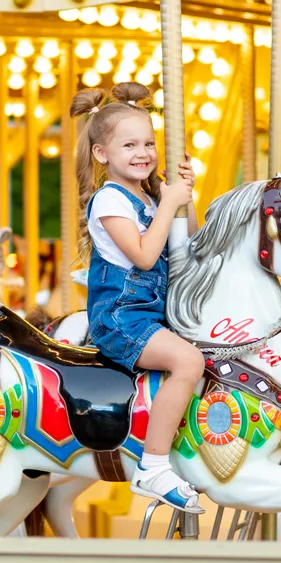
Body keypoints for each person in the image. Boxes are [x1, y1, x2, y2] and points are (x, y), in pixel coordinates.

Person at [72, 82, 205, 513]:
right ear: (101, 154)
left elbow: (188, 244)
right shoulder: (109, 200)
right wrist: (168, 204)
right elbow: (145, 257)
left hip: (156, 314)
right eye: (129, 144)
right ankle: (152, 466)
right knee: (189, 362)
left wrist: (185, 198)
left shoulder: (148, 197)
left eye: (148, 142)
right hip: (121, 319)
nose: (143, 152)